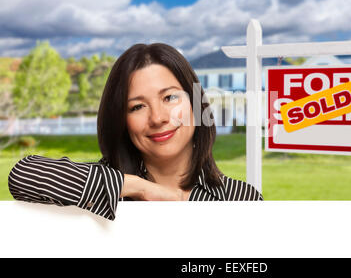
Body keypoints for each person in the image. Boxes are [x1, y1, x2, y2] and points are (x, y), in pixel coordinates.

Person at [8, 43, 263, 221]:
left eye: (170, 97)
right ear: (121, 119)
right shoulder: (104, 187)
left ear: (195, 103)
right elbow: (24, 176)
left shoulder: (241, 199)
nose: (158, 118)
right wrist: (140, 188)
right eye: (137, 106)